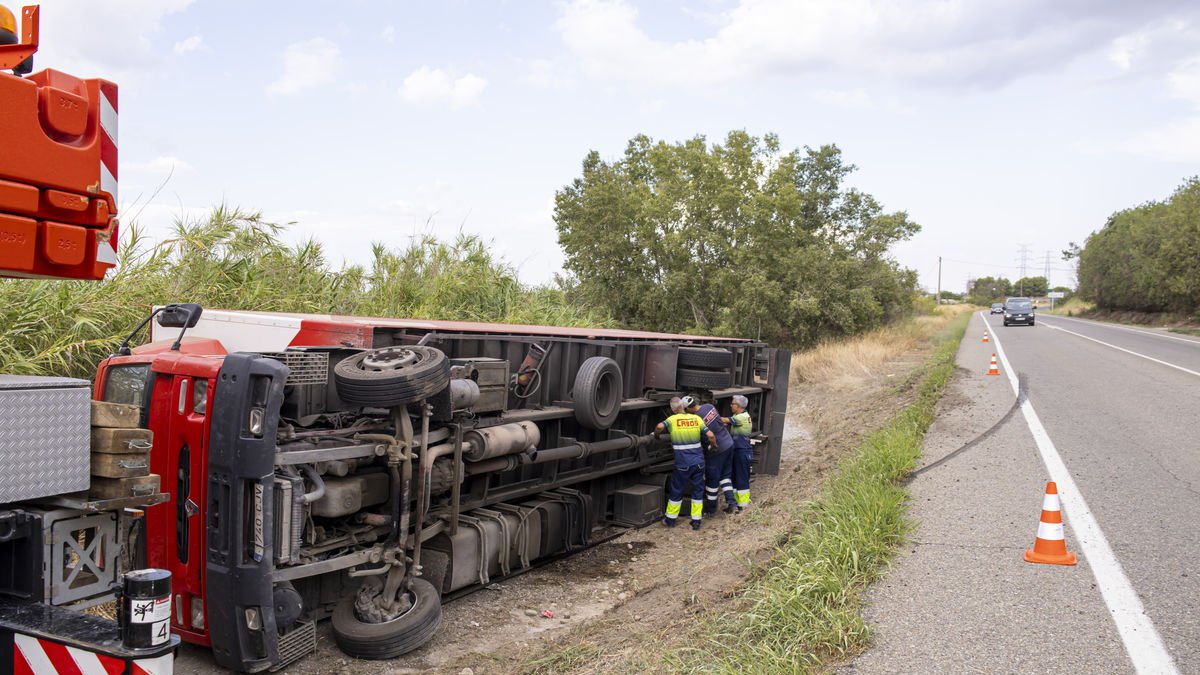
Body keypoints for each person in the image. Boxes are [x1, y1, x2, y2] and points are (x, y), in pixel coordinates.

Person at [655, 396, 714, 530]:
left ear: (672, 409)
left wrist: (657, 436)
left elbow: (659, 426)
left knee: (677, 490)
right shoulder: (696, 418)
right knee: (698, 491)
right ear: (683, 407)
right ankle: (696, 521)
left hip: (683, 464)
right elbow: (710, 435)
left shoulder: (672, 420)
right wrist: (713, 445)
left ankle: (670, 520)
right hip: (699, 462)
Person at [685, 397, 737, 515]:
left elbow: (708, 436)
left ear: (689, 408)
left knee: (712, 481)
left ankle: (711, 510)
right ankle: (732, 504)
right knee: (725, 476)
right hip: (728, 443)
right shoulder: (709, 406)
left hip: (717, 450)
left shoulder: (696, 418)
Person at [722, 395, 753, 511]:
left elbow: (725, 420)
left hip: (742, 451)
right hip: (737, 450)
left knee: (742, 477)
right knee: (734, 477)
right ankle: (735, 504)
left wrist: (711, 417)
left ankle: (743, 506)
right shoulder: (737, 416)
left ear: (739, 406)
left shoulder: (743, 417)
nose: (731, 405)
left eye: (733, 404)